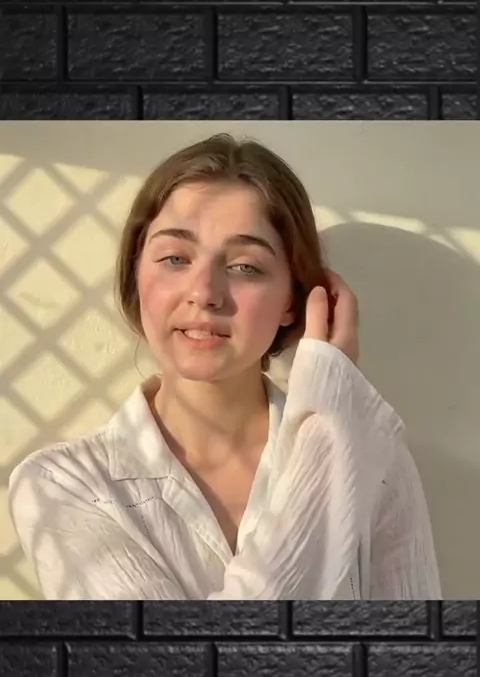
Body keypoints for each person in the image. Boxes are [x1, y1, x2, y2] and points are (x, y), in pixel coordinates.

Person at [8, 134, 441, 600]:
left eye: (245, 267)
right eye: (175, 258)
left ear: (293, 300)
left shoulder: (377, 460)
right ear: (136, 275)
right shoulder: (61, 484)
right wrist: (330, 420)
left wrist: (333, 421)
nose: (204, 292)